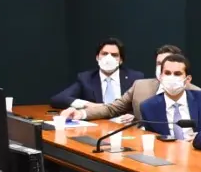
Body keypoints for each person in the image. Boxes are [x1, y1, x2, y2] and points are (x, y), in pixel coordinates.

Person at [60, 44, 194, 124]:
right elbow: (111, 108)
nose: (163, 68)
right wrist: (82, 114)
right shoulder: (140, 86)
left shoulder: (199, 95)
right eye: (159, 64)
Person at [138, 54, 201, 139]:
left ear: (188, 79)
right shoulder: (148, 107)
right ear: (160, 77)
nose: (171, 77)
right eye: (167, 73)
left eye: (177, 74)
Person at [50, 38, 145, 109]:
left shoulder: (135, 78)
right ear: (97, 57)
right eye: (104, 53)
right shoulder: (86, 78)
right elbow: (58, 99)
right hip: (99, 124)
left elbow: (143, 106)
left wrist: (133, 116)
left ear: (121, 60)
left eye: (114, 55)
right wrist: (87, 105)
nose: (109, 58)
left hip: (125, 126)